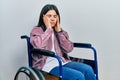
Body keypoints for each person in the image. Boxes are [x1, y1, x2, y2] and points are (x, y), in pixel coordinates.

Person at [30, 4, 96, 80]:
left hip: (62, 62)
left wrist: (59, 32)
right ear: (43, 17)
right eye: (49, 16)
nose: (52, 19)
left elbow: (68, 49)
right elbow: (38, 46)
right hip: (46, 65)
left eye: (55, 16)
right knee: (78, 76)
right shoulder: (37, 30)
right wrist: (48, 30)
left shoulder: (59, 32)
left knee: (88, 70)